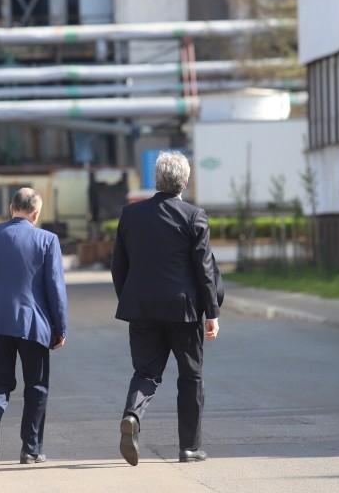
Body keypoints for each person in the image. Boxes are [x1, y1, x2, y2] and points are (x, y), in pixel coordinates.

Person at [110, 150, 221, 465]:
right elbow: (205, 269)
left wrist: (129, 298)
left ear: (156, 181)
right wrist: (211, 313)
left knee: (145, 372)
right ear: (184, 182)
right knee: (190, 376)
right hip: (184, 312)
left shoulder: (130, 215)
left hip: (142, 308)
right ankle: (188, 447)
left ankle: (132, 415)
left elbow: (119, 266)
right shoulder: (193, 216)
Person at [0, 187, 69, 464]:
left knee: (0, 380)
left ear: (11, 208)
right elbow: (55, 288)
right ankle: (31, 449)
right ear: (36, 214)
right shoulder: (48, 239)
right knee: (36, 386)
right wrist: (60, 328)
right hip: (34, 324)